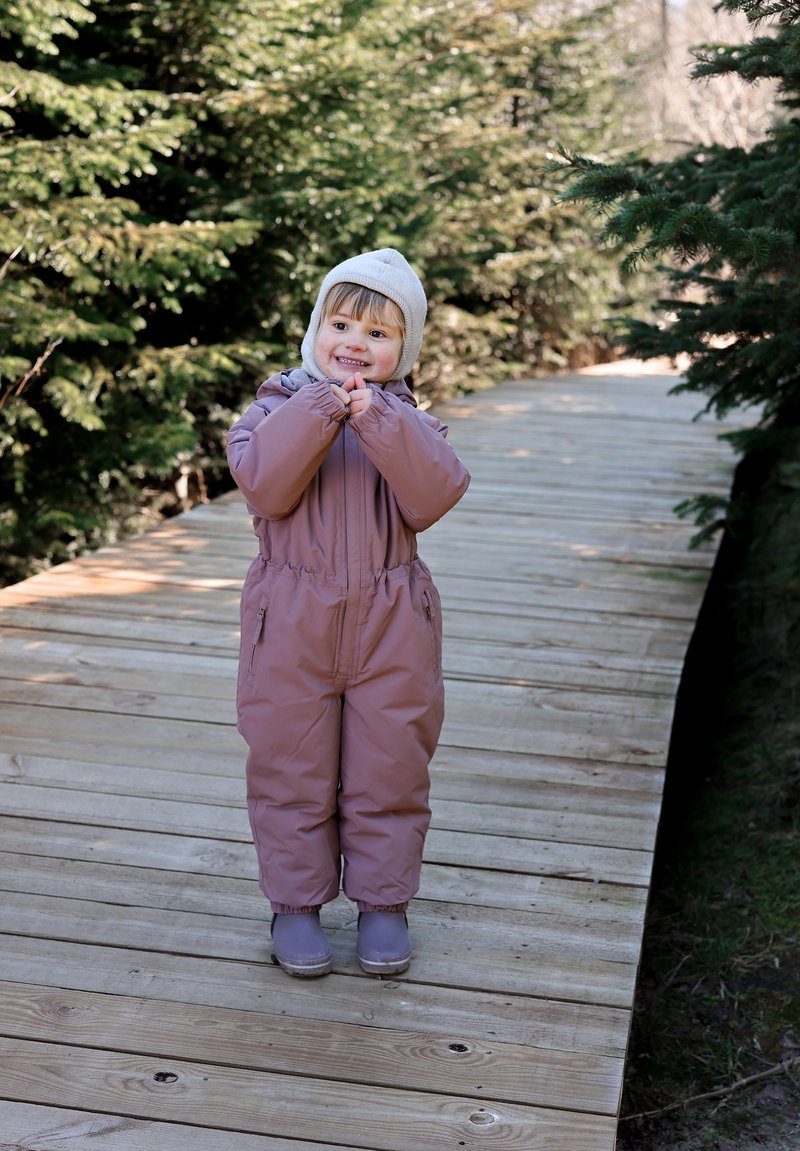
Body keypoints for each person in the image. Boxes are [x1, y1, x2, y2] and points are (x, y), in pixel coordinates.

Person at [227, 248, 470, 978]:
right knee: (289, 765)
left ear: (404, 349)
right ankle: (295, 905)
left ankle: (384, 902)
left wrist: (380, 421)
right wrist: (320, 408)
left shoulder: (409, 422)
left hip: (393, 623)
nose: (355, 344)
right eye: (341, 325)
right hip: (289, 619)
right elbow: (264, 485)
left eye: (378, 333)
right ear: (315, 330)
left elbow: (435, 493)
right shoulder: (273, 410)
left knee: (391, 765)